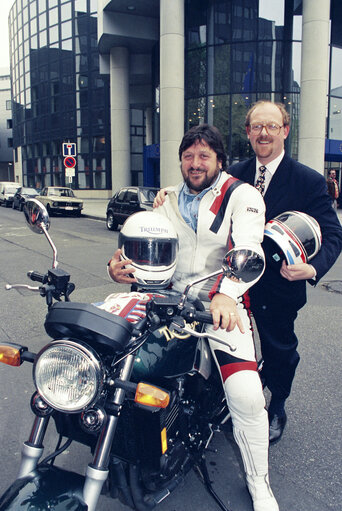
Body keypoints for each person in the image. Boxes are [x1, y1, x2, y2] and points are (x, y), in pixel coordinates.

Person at [108, 124, 279, 511]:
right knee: (111, 356)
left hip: (218, 304)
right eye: (188, 156)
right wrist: (115, 268)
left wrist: (225, 295)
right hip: (163, 298)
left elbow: (249, 251)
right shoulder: (165, 199)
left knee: (247, 395)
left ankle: (259, 484)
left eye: (204, 156)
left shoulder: (243, 195)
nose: (195, 163)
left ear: (219, 159)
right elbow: (140, 245)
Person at [228, 100, 342, 444]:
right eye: (257, 127)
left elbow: (334, 233)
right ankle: (234, 398)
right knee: (235, 345)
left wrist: (312, 268)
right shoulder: (234, 173)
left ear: (285, 131)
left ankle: (276, 405)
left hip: (280, 285)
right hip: (234, 282)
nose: (264, 133)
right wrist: (166, 198)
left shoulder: (307, 180)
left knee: (279, 349)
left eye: (271, 126)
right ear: (248, 133)